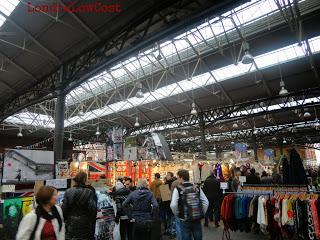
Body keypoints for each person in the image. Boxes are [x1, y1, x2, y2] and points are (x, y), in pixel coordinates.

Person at [170, 169, 208, 240]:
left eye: (178, 178)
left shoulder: (178, 189)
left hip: (184, 218)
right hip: (196, 218)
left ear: (181, 178)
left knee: (186, 237)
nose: (178, 180)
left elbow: (173, 205)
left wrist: (178, 214)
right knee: (198, 236)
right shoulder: (196, 187)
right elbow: (206, 202)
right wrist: (202, 213)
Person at [62, 172, 97, 240]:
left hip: (70, 222)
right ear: (84, 180)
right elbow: (92, 209)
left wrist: (67, 219)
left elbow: (64, 209)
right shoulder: (89, 192)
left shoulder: (68, 191)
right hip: (85, 223)